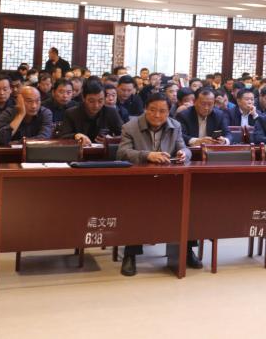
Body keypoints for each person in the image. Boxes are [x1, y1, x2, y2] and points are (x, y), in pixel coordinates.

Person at [116, 92, 197, 275]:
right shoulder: (130, 126)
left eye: (162, 111)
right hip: (139, 183)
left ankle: (186, 250)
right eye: (152, 110)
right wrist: (147, 155)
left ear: (169, 112)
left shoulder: (175, 125)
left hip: (168, 182)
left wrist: (184, 154)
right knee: (136, 206)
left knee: (188, 203)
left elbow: (184, 148)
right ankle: (130, 254)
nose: (157, 115)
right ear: (145, 109)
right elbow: (122, 153)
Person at [58, 80, 124, 145]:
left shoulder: (111, 112)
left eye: (100, 101)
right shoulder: (71, 113)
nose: (96, 105)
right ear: (83, 98)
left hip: (104, 150)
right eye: (91, 101)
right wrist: (75, 136)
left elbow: (124, 135)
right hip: (79, 151)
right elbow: (63, 136)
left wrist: (111, 140)